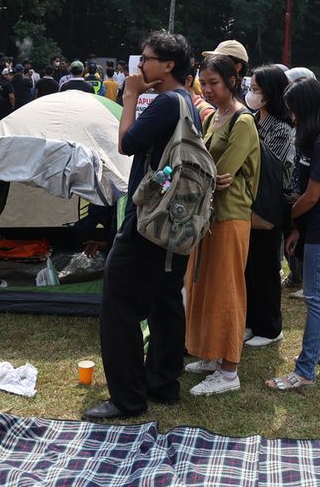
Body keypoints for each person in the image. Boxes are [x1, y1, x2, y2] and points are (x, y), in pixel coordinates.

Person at [84, 32, 202, 421]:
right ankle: (162, 384)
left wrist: (130, 94)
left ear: (168, 66)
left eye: (146, 59)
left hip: (149, 218)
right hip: (176, 220)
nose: (139, 67)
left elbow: (127, 143)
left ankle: (127, 399)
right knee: (166, 300)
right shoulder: (188, 102)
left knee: (118, 302)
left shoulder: (167, 101)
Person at [266, 79, 320, 391]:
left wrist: (289, 217)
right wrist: (296, 228)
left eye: (293, 110)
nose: (291, 116)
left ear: (306, 108)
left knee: (316, 297)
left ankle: (304, 371)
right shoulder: (317, 138)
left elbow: (312, 197)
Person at [183, 54, 260, 397]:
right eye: (205, 83)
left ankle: (229, 370)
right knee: (202, 285)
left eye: (214, 83)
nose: (209, 90)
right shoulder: (215, 116)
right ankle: (211, 354)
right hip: (208, 215)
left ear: (232, 81)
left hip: (230, 216)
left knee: (227, 291)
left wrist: (205, 173)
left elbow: (220, 174)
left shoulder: (242, 121)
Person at [243, 65, 294, 348]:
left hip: (268, 205)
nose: (251, 94)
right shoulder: (251, 119)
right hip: (247, 203)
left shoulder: (281, 129)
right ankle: (250, 322)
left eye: (256, 90)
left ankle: (270, 328)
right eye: (250, 88)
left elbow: (266, 167)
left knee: (265, 267)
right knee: (248, 267)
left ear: (271, 94)